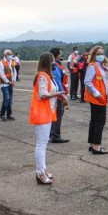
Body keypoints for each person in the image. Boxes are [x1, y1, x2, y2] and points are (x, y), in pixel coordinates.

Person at [29, 52, 67, 185]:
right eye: (52, 61)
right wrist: (59, 94)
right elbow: (43, 94)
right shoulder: (42, 76)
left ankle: (43, 170)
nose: (54, 63)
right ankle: (39, 172)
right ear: (48, 62)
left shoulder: (47, 76)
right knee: (41, 144)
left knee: (43, 144)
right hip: (42, 113)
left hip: (47, 112)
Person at [84, 45, 108, 154]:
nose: (101, 56)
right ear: (93, 55)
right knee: (100, 121)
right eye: (98, 54)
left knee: (94, 121)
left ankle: (92, 144)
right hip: (98, 98)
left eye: (102, 54)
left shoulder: (99, 66)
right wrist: (97, 94)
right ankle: (96, 147)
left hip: (100, 97)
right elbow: (87, 82)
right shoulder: (93, 66)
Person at [49, 47, 70, 143]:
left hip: (57, 94)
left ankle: (52, 133)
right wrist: (63, 96)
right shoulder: (55, 66)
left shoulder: (55, 65)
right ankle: (56, 135)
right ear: (57, 55)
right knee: (58, 116)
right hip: (58, 95)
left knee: (56, 115)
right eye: (60, 54)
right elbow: (57, 82)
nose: (61, 56)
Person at [0, 49, 17, 121]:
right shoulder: (1, 62)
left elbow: (14, 72)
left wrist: (14, 80)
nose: (11, 55)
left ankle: (9, 115)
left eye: (11, 54)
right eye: (9, 54)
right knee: (6, 99)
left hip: (10, 84)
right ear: (5, 55)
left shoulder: (12, 61)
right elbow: (1, 74)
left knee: (10, 100)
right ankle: (2, 114)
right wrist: (8, 82)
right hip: (4, 84)